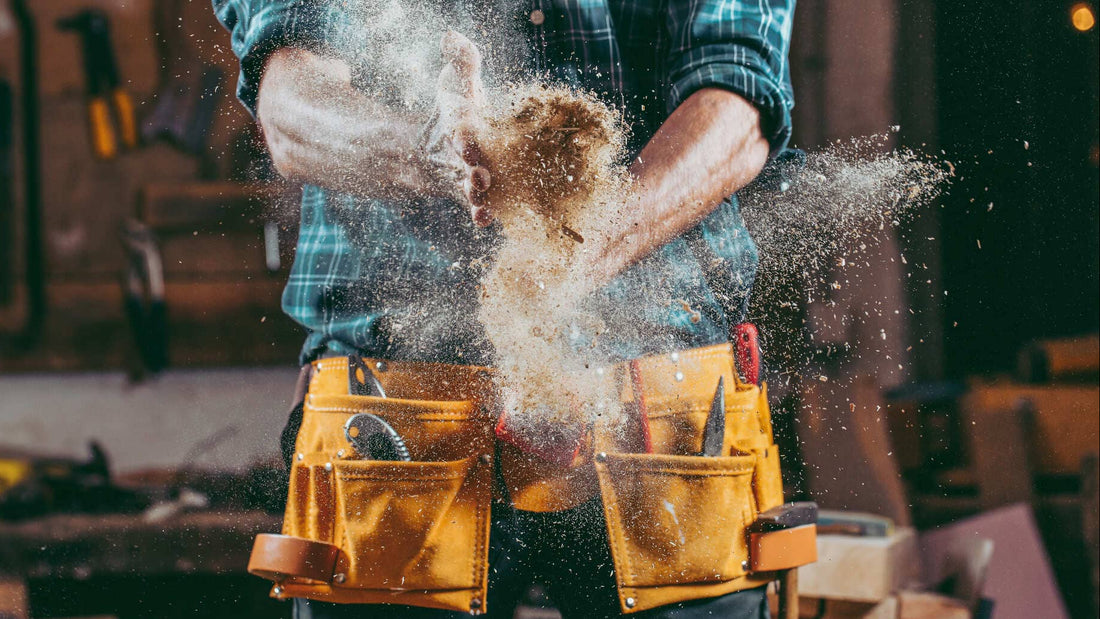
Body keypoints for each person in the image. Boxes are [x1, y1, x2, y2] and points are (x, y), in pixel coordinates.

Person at [214, 0, 795, 617]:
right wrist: (425, 151)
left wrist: (587, 241)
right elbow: (290, 104)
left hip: (663, 413)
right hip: (396, 414)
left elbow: (740, 103)